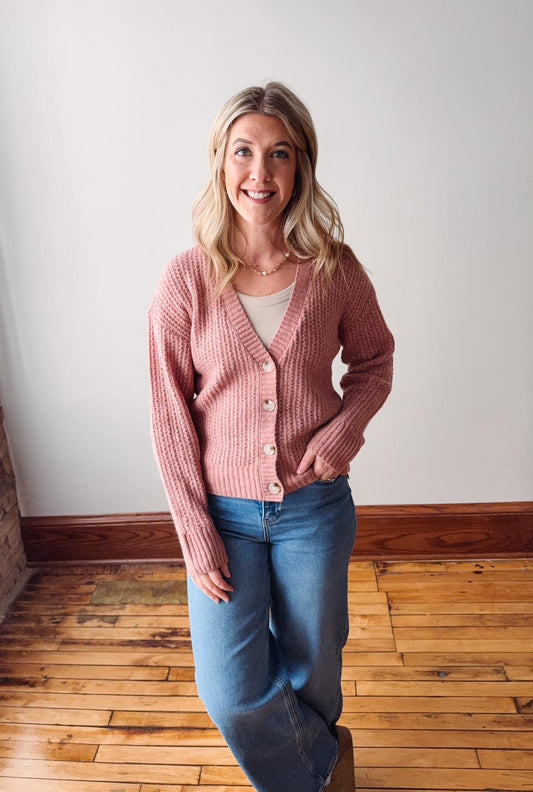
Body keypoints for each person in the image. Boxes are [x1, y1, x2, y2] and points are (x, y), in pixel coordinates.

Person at [149, 81, 394, 792]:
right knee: (227, 687)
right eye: (244, 152)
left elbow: (373, 363)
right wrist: (193, 532)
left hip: (313, 510)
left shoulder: (334, 270)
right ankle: (318, 770)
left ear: (300, 167)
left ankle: (308, 765)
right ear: (221, 163)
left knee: (313, 665)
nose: (260, 173)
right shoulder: (185, 281)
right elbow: (169, 417)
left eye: (279, 154)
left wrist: (344, 432)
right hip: (223, 517)